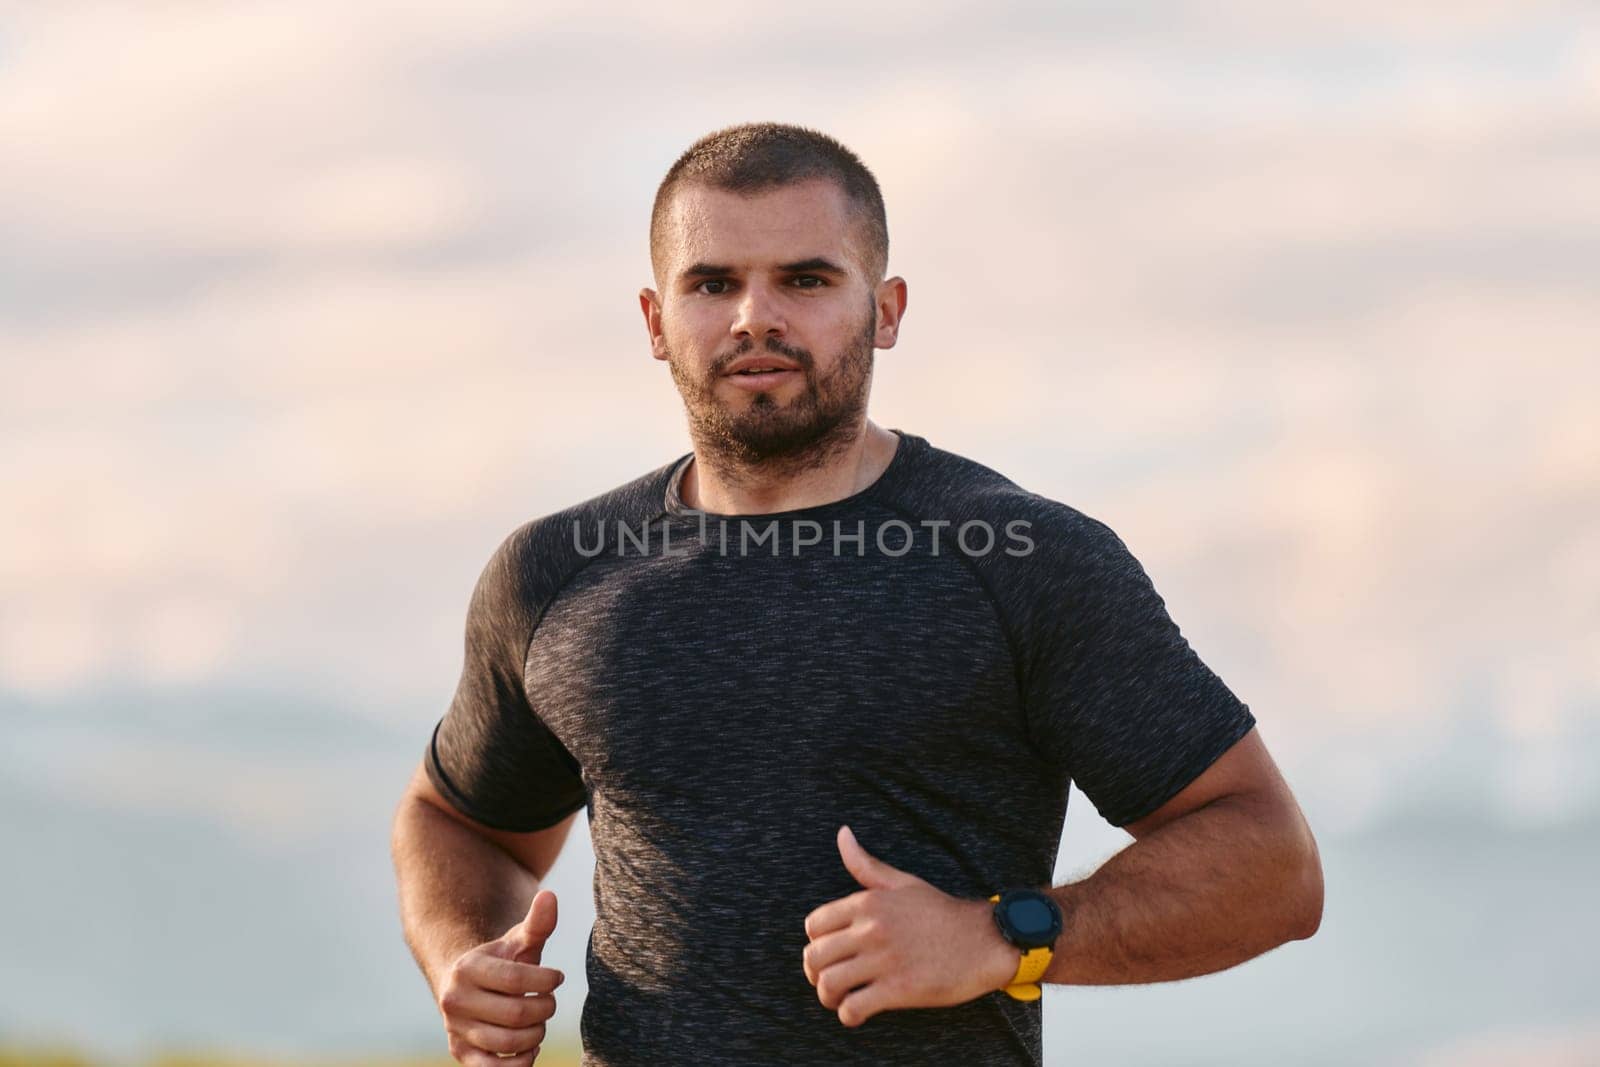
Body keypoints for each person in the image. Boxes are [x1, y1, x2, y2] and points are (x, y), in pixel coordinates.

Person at [390, 121, 1323, 1067]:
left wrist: (1002, 935)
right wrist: (465, 958)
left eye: (806, 278)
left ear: (885, 309)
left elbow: (1273, 865)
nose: (755, 315)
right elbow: (457, 821)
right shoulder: (559, 572)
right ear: (655, 322)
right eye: (712, 283)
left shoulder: (1023, 557)